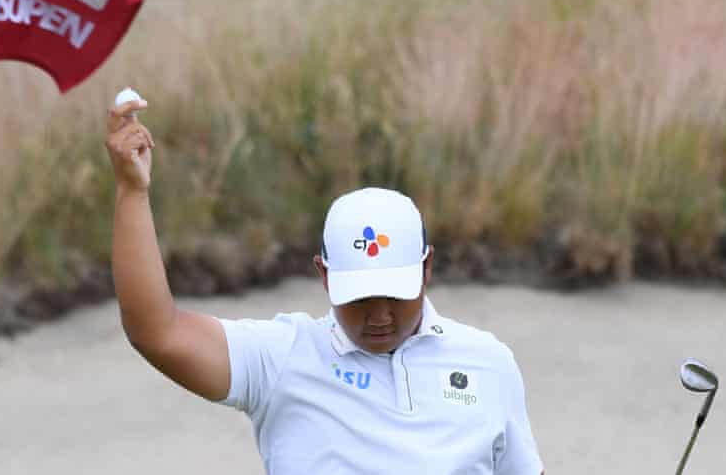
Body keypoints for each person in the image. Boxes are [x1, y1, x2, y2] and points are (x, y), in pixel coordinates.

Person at [104, 97, 544, 474]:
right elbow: (157, 332)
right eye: (359, 297)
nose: (379, 315)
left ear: (426, 268)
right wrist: (132, 192)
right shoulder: (282, 358)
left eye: (394, 294)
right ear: (324, 274)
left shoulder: (488, 363)